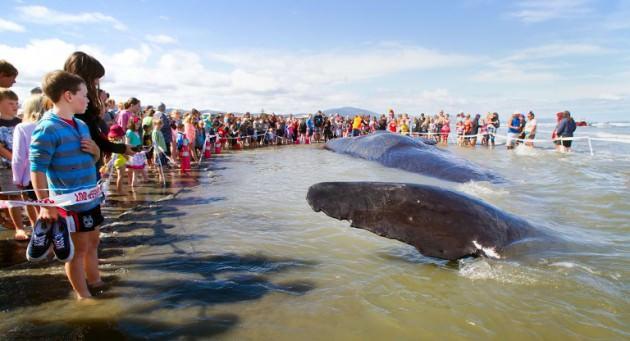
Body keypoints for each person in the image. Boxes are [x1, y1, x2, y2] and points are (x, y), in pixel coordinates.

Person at [31, 70, 102, 300]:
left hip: (91, 197)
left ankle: (97, 282)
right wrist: (45, 204)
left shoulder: (81, 124)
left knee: (93, 243)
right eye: (84, 94)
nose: (88, 99)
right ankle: (84, 296)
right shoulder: (47, 128)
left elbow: (92, 158)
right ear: (68, 96)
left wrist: (96, 151)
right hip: (69, 203)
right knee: (77, 251)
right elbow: (37, 169)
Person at [63, 51, 133, 174]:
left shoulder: (63, 102)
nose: (96, 82)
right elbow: (94, 136)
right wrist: (120, 148)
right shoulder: (81, 104)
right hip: (82, 165)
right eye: (95, 78)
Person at [12, 95, 51, 231]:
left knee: (39, 208)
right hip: (55, 176)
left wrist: (18, 179)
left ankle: (42, 237)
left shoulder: (22, 127)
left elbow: (19, 157)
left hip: (31, 177)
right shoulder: (55, 125)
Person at [0, 88, 30, 240]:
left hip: (25, 166)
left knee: (29, 196)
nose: (15, 106)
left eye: (17, 103)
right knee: (13, 197)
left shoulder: (20, 122)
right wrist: (15, 160)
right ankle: (19, 228)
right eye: (10, 103)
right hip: (6, 167)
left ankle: (36, 222)